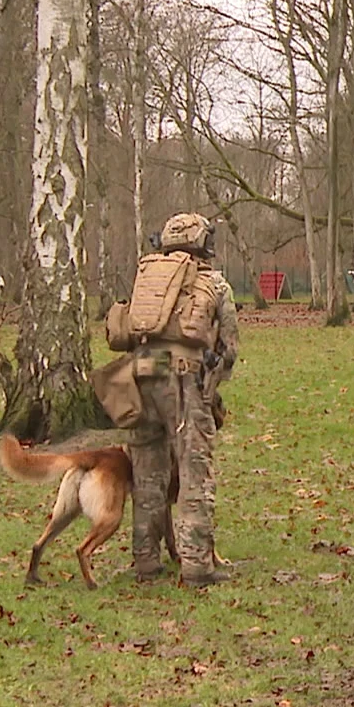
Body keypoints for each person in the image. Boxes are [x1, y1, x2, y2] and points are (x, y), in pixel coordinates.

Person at [128, 212, 238, 587]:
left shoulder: (145, 276)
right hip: (184, 381)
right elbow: (229, 348)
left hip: (141, 376)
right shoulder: (215, 284)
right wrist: (213, 383)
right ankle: (196, 565)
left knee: (146, 472)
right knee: (194, 472)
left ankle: (145, 559)